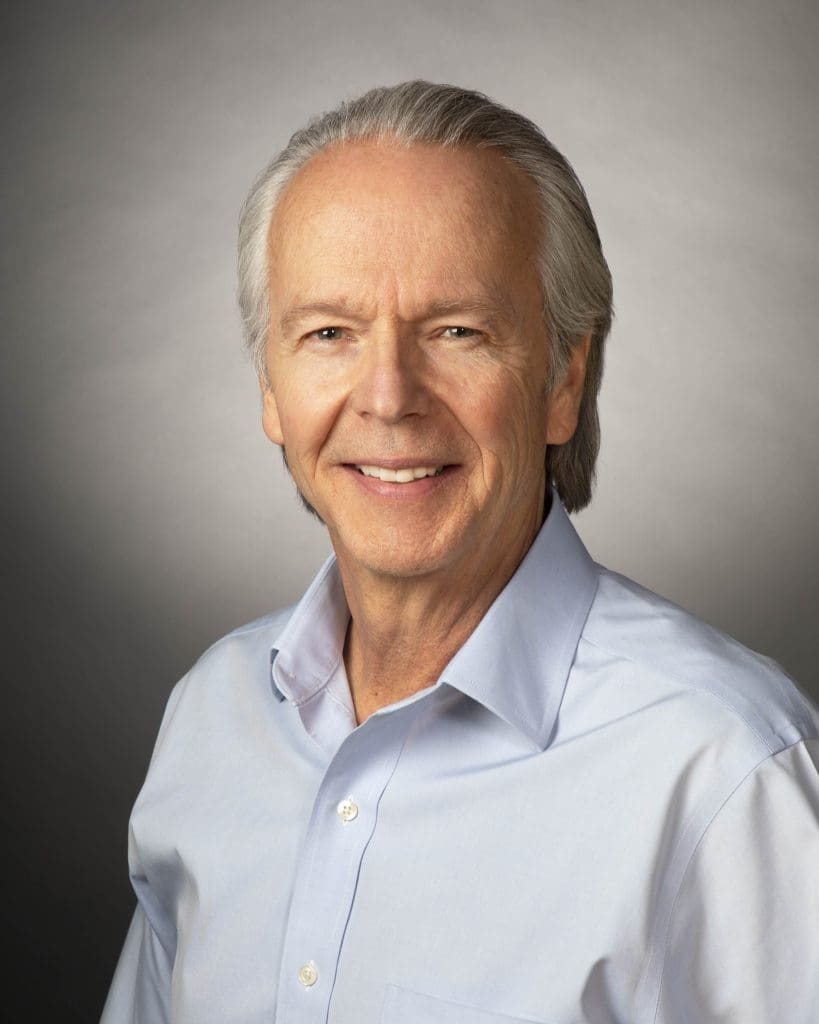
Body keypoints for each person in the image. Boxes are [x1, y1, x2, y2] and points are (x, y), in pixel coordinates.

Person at [102, 82, 819, 1024]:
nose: (389, 396)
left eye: (456, 332)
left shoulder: (726, 773)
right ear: (270, 386)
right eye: (328, 334)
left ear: (563, 377)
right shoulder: (212, 718)